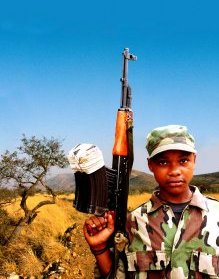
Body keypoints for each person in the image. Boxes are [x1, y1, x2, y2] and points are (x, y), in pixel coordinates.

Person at [83, 124, 219, 279]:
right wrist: (100, 249)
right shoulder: (133, 222)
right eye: (163, 162)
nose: (174, 171)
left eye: (183, 160)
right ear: (150, 165)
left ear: (194, 160)